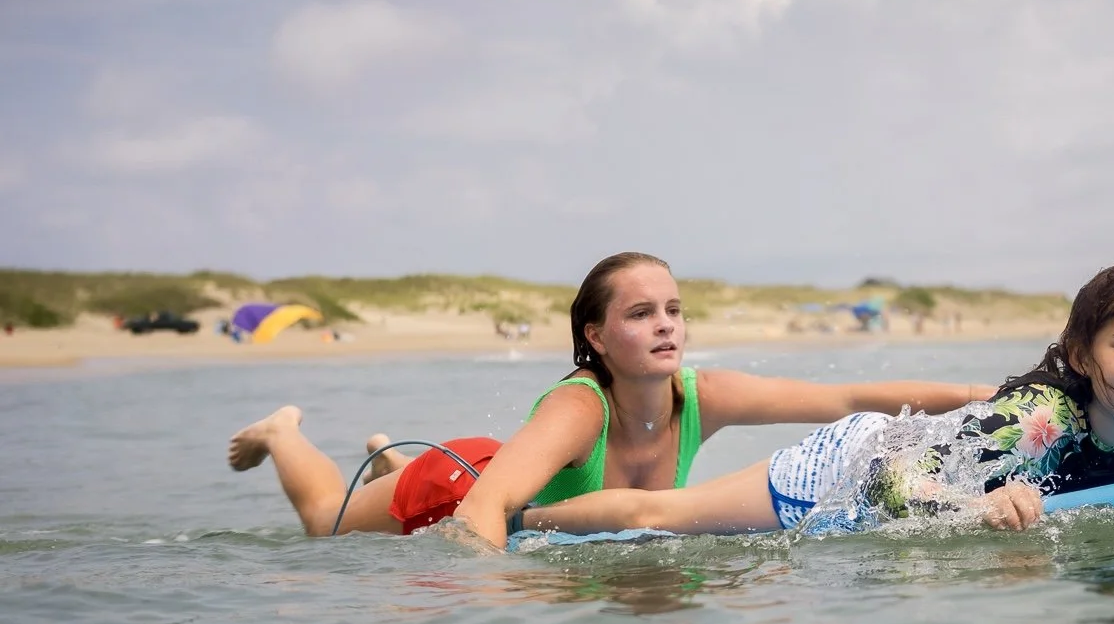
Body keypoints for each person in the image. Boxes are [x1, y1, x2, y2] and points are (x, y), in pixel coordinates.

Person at [227, 252, 990, 544]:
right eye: (639, 313)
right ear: (594, 334)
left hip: (513, 470)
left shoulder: (702, 394)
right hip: (460, 484)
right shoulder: (579, 407)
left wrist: (980, 393)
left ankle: (390, 450)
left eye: (673, 309)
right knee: (322, 523)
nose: (665, 326)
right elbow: (483, 513)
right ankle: (286, 430)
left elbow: (849, 395)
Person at [515, 257, 1114, 540]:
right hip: (849, 467)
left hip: (895, 477)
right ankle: (532, 519)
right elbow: (889, 477)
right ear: (1084, 354)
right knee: (658, 516)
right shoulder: (1036, 423)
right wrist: (979, 505)